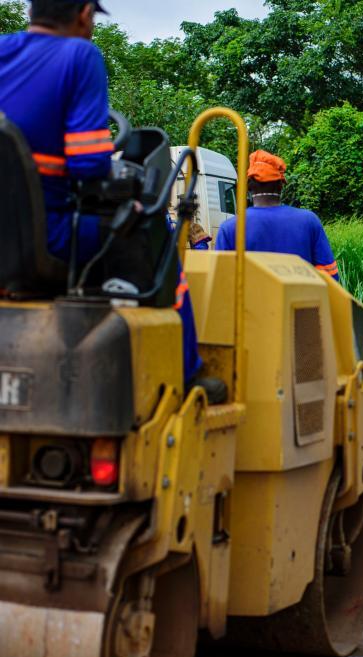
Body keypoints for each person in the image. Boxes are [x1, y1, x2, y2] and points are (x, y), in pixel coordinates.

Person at [0, 0, 219, 399]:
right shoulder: (80, 56)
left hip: (4, 243)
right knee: (155, 238)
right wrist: (117, 176)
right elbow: (87, 164)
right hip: (50, 237)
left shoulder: (3, 50)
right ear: (84, 14)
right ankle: (187, 372)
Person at [216, 150, 340, 281]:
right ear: (281, 185)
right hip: (300, 301)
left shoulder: (229, 228)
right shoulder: (309, 221)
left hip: (251, 302)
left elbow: (221, 282)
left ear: (249, 186)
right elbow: (330, 276)